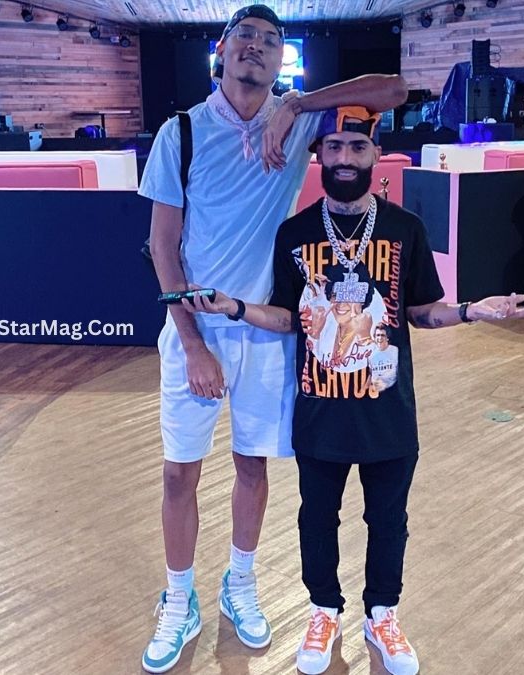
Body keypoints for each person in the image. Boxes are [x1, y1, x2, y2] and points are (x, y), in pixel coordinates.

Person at [182, 105, 524, 675]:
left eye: (356, 148)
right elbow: (287, 317)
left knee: (388, 520)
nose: (344, 159)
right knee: (316, 519)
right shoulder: (295, 234)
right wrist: (233, 307)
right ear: (318, 157)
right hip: (319, 410)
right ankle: (324, 611)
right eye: (334, 149)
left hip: (388, 412)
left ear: (377, 157)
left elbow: (421, 313)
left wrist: (472, 310)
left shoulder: (405, 229)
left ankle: (382, 614)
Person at [137, 4, 408, 672]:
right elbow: (161, 247)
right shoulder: (182, 132)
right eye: (246, 39)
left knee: (252, 466)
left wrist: (300, 102)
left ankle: (241, 583)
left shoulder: (301, 117)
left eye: (270, 42)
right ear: (222, 53)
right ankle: (179, 597)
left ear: (279, 59)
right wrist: (194, 342)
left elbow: (393, 91)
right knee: (179, 473)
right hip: (193, 329)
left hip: (263, 334)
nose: (256, 48)